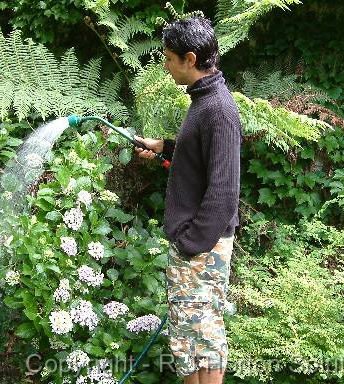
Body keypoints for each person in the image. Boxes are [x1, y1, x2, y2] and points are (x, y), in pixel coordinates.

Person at [134, 17, 241, 384]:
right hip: (195, 246)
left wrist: (190, 244)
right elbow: (202, 157)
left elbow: (224, 192)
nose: (165, 65)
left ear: (190, 58)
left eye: (168, 58)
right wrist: (164, 148)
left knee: (205, 341)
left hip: (202, 247)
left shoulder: (219, 110)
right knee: (189, 344)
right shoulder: (204, 100)